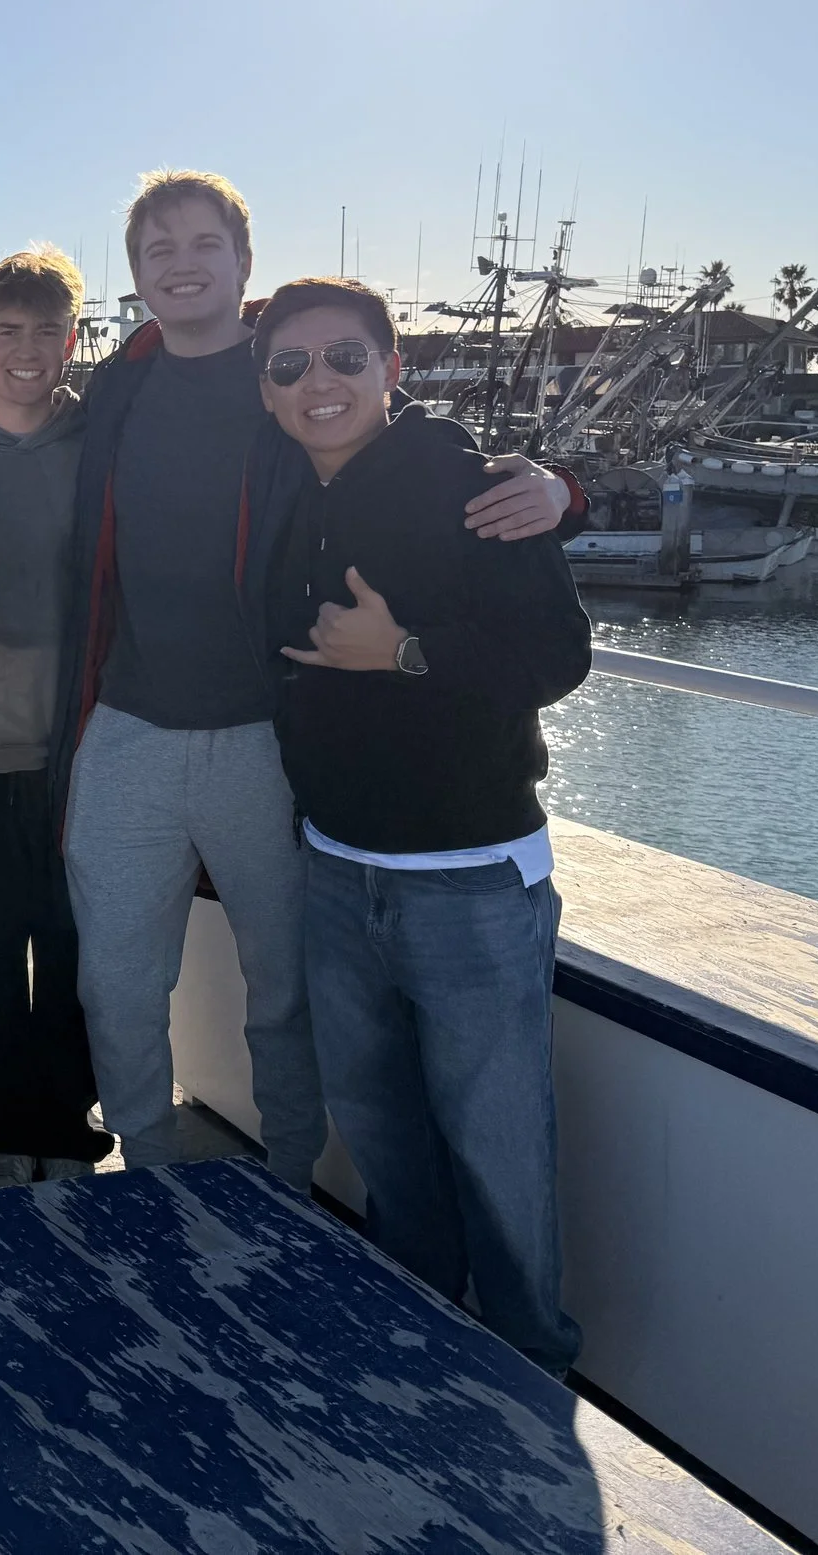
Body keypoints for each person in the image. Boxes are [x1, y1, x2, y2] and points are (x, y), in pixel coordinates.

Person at [51, 171, 579, 1191]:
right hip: (124, 730)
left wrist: (560, 490)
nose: (180, 263)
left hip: (268, 737)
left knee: (282, 990)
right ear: (135, 276)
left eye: (203, 243)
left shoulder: (293, 371)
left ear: (242, 262)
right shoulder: (119, 383)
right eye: (157, 250)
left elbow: (412, 441)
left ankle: (287, 1186)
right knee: (114, 982)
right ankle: (146, 1174)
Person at [253, 276, 591, 1373]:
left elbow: (553, 661)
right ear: (265, 391)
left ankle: (529, 1376)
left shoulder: (470, 488)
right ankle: (424, 1355)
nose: (320, 382)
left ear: (391, 370)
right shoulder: (297, 491)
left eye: (345, 358)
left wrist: (400, 652)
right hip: (337, 869)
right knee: (389, 1146)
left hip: (468, 879)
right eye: (291, 364)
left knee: (497, 1157)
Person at [0, 247, 111, 1185]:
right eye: (9, 331)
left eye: (48, 330)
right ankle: (2, 1141)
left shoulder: (103, 444)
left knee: (77, 956)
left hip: (82, 752)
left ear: (73, 339)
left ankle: (71, 1134)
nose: (28, 350)